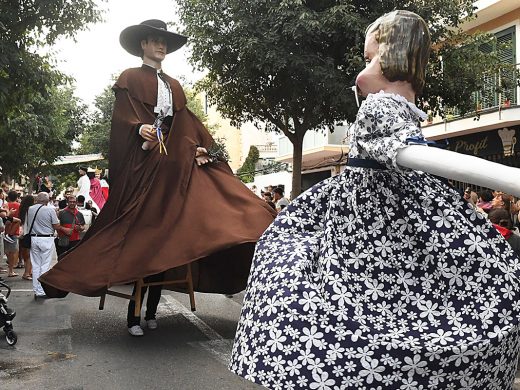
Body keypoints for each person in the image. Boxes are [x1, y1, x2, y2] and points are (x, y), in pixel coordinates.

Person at [229, 10, 520, 389]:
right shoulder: (391, 109)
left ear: (395, 54)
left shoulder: (381, 106)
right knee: (394, 298)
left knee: (353, 300)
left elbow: (408, 154)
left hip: (372, 214)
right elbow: (409, 154)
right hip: (376, 211)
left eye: (371, 59)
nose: (362, 71)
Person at [39, 19, 276, 337]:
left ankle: (151, 311)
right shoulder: (129, 78)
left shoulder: (175, 85)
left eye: (164, 41)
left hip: (175, 166)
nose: (160, 46)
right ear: (143, 45)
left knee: (218, 207)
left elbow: (187, 122)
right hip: (146, 167)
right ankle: (133, 317)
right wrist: (139, 128)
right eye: (154, 41)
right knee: (144, 242)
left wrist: (203, 147)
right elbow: (123, 117)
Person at [25, 192, 61, 299]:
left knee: (36, 265)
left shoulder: (30, 209)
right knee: (45, 265)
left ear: (37, 199)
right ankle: (42, 290)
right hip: (46, 238)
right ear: (47, 200)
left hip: (34, 238)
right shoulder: (50, 210)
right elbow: (56, 225)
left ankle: (37, 290)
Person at [18, 195, 35, 281]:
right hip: (29, 233)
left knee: (26, 255)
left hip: (23, 233)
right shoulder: (31, 210)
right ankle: (27, 273)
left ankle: (28, 271)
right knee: (30, 255)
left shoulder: (22, 209)